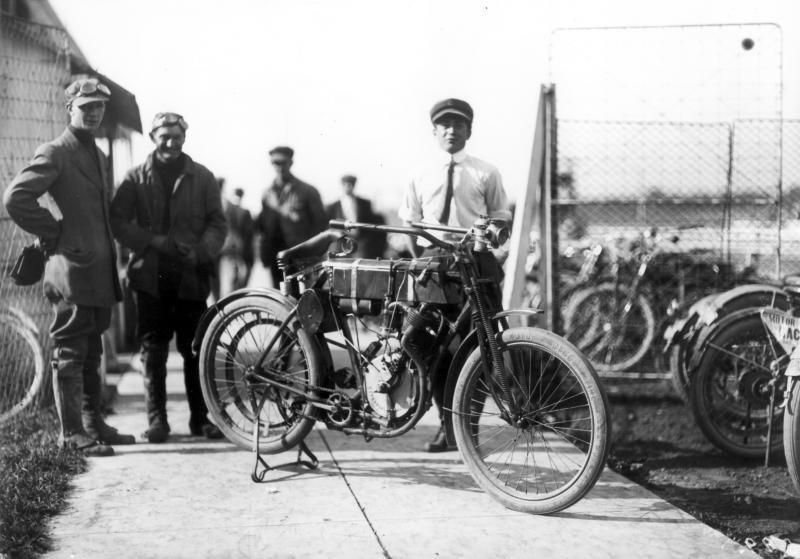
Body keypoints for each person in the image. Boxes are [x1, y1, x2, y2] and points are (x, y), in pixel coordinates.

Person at [2, 77, 134, 456]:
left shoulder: (97, 154)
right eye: (86, 107)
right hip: (71, 269)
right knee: (71, 352)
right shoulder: (56, 151)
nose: (93, 114)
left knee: (93, 350)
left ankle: (94, 425)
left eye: (99, 108)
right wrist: (53, 231)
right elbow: (16, 198)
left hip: (97, 269)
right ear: (69, 109)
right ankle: (71, 434)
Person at [398, 97, 511, 452]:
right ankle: (446, 424)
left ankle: (467, 429)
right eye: (444, 125)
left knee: (475, 347)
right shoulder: (419, 173)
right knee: (426, 344)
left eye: (458, 124)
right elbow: (410, 222)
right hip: (434, 268)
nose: (451, 130)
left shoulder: (485, 172)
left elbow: (501, 217)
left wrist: (487, 243)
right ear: (434, 131)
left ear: (469, 131)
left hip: (475, 266)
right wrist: (424, 260)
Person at [110, 112, 227, 443]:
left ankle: (201, 418)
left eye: (177, 136)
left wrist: (201, 251)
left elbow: (218, 224)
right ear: (152, 137)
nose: (171, 143)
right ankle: (157, 420)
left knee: (195, 350)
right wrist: (153, 241)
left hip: (190, 277)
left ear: (184, 138)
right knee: (153, 350)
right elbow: (118, 222)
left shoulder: (202, 178)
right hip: (150, 279)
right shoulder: (134, 179)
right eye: (165, 136)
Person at [255, 146, 327, 286]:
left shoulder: (307, 191)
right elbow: (263, 227)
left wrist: (311, 254)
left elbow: (320, 224)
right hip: (276, 257)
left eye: (283, 162)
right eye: (275, 163)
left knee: (303, 298)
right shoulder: (267, 193)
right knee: (279, 299)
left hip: (300, 256)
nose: (279, 166)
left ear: (291, 163)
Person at [325, 174, 385, 258]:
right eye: (346, 185)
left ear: (354, 185)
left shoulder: (365, 203)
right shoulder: (333, 206)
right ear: (342, 186)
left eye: (350, 185)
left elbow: (370, 223)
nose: (348, 187)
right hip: (341, 243)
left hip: (360, 244)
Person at [220, 186, 255, 293]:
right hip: (233, 249)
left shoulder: (245, 212)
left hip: (244, 249)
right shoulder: (228, 210)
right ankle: (233, 298)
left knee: (242, 277)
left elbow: (250, 233)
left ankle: (237, 295)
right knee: (233, 276)